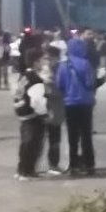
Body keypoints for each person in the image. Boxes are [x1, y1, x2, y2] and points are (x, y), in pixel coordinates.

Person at [56, 38, 97, 176]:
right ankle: (89, 164)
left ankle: (73, 165)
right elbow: (90, 82)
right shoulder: (86, 64)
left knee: (72, 136)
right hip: (86, 104)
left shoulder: (63, 65)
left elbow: (59, 84)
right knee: (86, 135)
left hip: (70, 104)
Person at [13, 48, 48, 180]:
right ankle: (26, 170)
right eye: (42, 60)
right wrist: (44, 114)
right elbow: (37, 101)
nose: (44, 63)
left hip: (22, 112)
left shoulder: (24, 76)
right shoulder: (35, 79)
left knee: (25, 143)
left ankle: (23, 169)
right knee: (33, 143)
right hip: (32, 115)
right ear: (36, 62)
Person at [42, 45, 65, 176]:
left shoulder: (60, 70)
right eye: (46, 58)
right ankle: (29, 166)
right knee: (38, 139)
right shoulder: (43, 71)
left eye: (50, 58)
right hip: (43, 110)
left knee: (55, 139)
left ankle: (53, 164)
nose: (47, 61)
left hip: (55, 111)